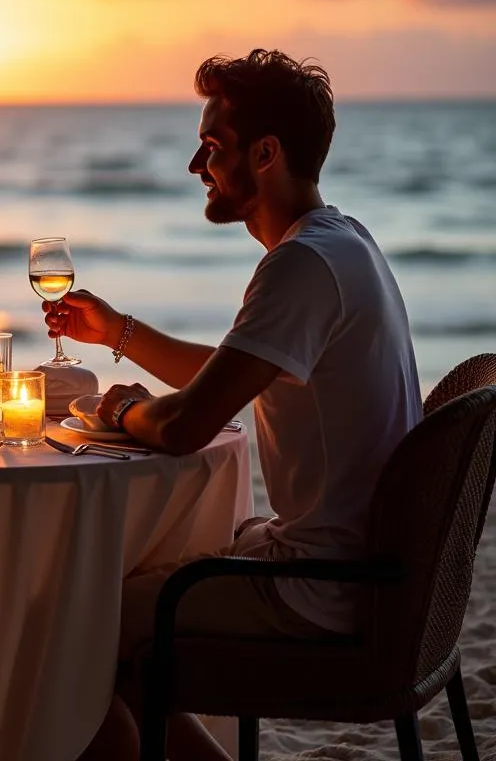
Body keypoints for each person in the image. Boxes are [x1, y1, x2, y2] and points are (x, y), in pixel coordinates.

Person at [50, 50, 421, 761]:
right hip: (358, 569)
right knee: (128, 586)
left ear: (267, 152)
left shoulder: (301, 265)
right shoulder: (342, 240)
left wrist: (121, 411)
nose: (198, 164)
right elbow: (238, 371)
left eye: (213, 146)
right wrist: (118, 332)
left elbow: (188, 425)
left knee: (72, 626)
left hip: (319, 588)